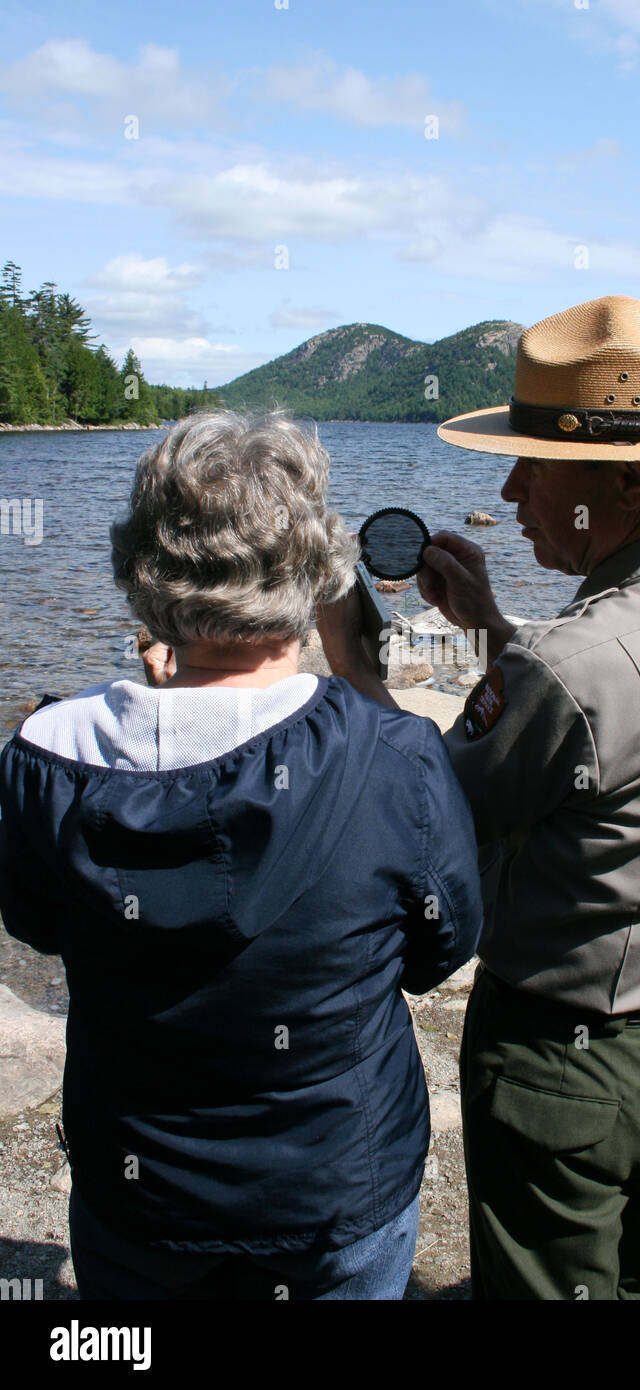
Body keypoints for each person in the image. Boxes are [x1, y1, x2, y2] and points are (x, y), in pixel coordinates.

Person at [317, 295, 640, 1300]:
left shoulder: (574, 667)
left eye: (532, 466)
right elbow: (619, 739)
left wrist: (356, 669)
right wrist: (495, 627)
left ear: (626, 479)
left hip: (563, 1065)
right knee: (631, 1269)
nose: (507, 488)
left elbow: (422, 818)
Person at [0, 410, 483, 1301]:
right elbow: (437, 951)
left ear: (140, 567)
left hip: (138, 1181)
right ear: (317, 569)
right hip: (338, 1179)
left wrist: (170, 715)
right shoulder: (396, 757)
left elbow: (36, 922)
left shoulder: (43, 756)